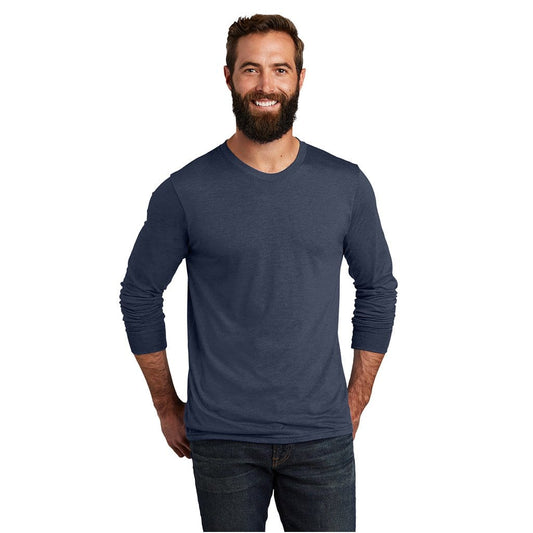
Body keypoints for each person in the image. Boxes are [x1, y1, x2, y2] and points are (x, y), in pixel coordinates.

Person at [119, 13, 397, 532]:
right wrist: (165, 405)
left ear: (300, 78)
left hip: (321, 437)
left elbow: (378, 288)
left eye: (280, 69)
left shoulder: (346, 186)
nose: (266, 85)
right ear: (228, 77)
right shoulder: (184, 192)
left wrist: (357, 398)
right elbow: (139, 295)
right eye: (251, 69)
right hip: (222, 438)